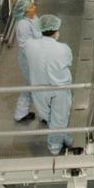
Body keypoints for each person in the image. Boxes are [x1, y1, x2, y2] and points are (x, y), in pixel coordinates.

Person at [26, 15, 75, 155]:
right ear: (56, 30)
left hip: (38, 88)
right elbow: (69, 61)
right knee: (59, 119)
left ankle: (63, 136)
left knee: (49, 118)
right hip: (59, 88)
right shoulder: (63, 49)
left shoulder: (30, 46)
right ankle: (55, 148)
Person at [12, 0, 39, 123]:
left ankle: (21, 112)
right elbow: (25, 46)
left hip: (35, 58)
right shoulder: (23, 25)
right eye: (31, 7)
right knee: (36, 86)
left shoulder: (32, 18)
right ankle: (46, 115)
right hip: (30, 60)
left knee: (30, 86)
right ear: (25, 11)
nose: (35, 8)